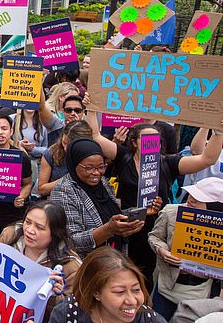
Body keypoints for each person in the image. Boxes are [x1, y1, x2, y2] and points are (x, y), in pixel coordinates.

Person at [85, 97, 223, 289]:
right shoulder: (123, 157)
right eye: (147, 139)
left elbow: (207, 160)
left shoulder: (168, 163)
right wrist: (91, 108)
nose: (152, 143)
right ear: (134, 142)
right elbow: (96, 137)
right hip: (126, 229)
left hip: (156, 230)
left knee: (147, 277)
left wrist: (218, 131)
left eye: (156, 140)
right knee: (123, 271)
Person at [50, 138, 144, 258]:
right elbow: (71, 241)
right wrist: (107, 230)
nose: (96, 173)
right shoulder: (63, 191)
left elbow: (109, 215)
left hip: (113, 258)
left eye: (101, 167)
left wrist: (132, 215)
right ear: (74, 164)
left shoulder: (104, 183)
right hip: (88, 264)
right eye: (89, 168)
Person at [148, 177, 223, 321]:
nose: (191, 200)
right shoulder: (171, 212)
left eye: (199, 199)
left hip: (202, 292)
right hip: (168, 286)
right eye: (191, 194)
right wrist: (162, 251)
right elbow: (154, 236)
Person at [0, 201, 81, 322]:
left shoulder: (71, 266)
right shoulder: (9, 236)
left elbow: (70, 314)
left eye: (39, 227)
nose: (30, 230)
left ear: (55, 233)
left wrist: (54, 295)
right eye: (27, 222)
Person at [49, 246, 166, 323]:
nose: (132, 301)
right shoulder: (68, 313)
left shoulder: (150, 320)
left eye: (136, 289)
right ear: (96, 292)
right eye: (120, 292)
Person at [37, 120, 93, 198]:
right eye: (64, 143)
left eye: (70, 145)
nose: (66, 148)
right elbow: (42, 190)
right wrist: (70, 178)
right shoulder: (52, 153)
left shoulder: (93, 156)